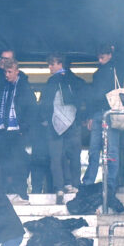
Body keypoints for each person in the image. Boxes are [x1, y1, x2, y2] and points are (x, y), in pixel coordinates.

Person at [81, 43, 124, 212]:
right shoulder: (100, 73)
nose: (100, 60)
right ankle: (90, 182)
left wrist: (115, 49)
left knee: (110, 151)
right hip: (100, 113)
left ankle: (109, 183)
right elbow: (93, 97)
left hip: (110, 112)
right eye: (99, 57)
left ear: (109, 55)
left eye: (103, 56)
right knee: (96, 150)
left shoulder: (116, 68)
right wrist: (90, 116)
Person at [39, 53, 86, 201]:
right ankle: (75, 185)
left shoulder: (51, 81)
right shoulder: (76, 80)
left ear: (60, 64)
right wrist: (81, 119)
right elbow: (84, 101)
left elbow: (45, 103)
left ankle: (59, 188)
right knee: (74, 156)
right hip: (74, 124)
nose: (50, 67)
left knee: (56, 157)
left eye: (52, 64)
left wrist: (44, 120)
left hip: (55, 126)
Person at [0, 61, 36, 199]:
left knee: (19, 161)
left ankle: (21, 189)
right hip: (4, 130)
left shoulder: (24, 88)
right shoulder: (2, 87)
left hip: (18, 131)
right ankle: (6, 188)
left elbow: (31, 109)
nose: (7, 75)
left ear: (17, 71)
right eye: (5, 72)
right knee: (4, 161)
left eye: (10, 72)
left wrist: (25, 128)